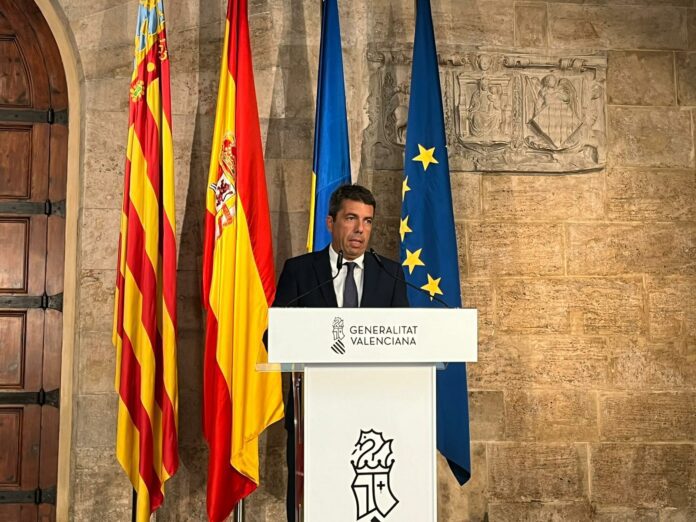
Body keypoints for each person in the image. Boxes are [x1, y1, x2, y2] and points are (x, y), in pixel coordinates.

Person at [273, 184, 408, 521]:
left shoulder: (390, 274)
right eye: (351, 218)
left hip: (374, 415)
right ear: (330, 222)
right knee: (313, 500)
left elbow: (406, 341)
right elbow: (273, 336)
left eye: (367, 221)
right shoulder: (300, 271)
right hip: (313, 409)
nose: (360, 229)